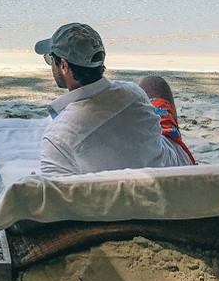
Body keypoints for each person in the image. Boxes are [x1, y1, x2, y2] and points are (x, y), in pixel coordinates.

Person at [35, 23, 195, 178]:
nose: (51, 65)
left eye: (51, 59)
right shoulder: (133, 94)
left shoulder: (57, 138)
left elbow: (56, 195)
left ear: (63, 65)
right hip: (175, 173)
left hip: (123, 199)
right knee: (154, 83)